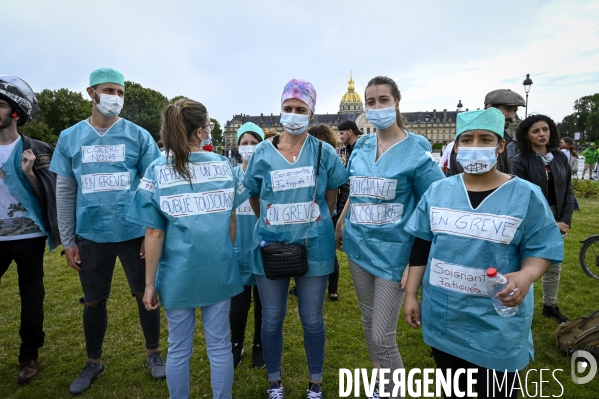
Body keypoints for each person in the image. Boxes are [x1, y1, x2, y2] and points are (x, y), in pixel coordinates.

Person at [403, 108, 563, 399]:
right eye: (467, 139)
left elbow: (542, 247)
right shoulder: (437, 192)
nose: (475, 146)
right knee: (455, 391)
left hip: (497, 322)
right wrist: (411, 294)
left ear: (500, 145)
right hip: (444, 315)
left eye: (485, 138)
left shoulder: (525, 195)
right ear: (457, 145)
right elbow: (422, 245)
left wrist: (527, 275)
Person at [49, 68, 165, 395]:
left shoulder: (138, 136)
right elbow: (65, 191)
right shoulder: (70, 138)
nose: (116, 97)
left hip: (132, 234)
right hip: (91, 235)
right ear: (91, 92)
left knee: (147, 296)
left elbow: (153, 186)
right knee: (93, 301)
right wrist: (68, 239)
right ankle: (93, 361)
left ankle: (154, 354)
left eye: (121, 91)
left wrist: (149, 231)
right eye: (109, 90)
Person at [126, 99, 245, 399]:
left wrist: (149, 284)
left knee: (179, 346)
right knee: (219, 344)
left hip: (177, 272)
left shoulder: (156, 170)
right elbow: (232, 218)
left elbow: (153, 231)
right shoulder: (223, 165)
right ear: (199, 131)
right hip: (218, 267)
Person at [335, 76, 445, 398]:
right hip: (358, 246)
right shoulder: (363, 146)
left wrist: (417, 262)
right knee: (369, 321)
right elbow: (356, 191)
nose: (377, 107)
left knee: (383, 334)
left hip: (396, 255)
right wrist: (341, 222)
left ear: (397, 102)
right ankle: (381, 385)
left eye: (384, 100)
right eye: (371, 102)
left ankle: (393, 391)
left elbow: (434, 206)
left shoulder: (417, 152)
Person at [243, 79, 348, 399]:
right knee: (272, 318)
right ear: (280, 110)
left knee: (312, 318)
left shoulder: (323, 151)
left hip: (314, 243)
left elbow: (332, 195)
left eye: (300, 109)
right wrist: (276, 220)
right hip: (270, 244)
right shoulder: (263, 151)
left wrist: (313, 221)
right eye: (288, 108)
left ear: (311, 112)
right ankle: (274, 381)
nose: (293, 114)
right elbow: (255, 197)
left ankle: (315, 381)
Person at [0, 75, 60, 384]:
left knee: (31, 296)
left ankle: (29, 356)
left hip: (28, 237)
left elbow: (49, 198)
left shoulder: (36, 150)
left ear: (15, 112)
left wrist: (31, 174)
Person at [511, 115, 573, 323]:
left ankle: (550, 305)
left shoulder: (560, 157)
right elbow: (521, 197)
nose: (542, 134)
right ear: (527, 135)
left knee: (553, 265)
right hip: (532, 218)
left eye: (545, 129)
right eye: (536, 131)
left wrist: (565, 219)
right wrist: (549, 223)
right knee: (524, 265)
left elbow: (568, 191)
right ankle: (516, 306)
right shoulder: (520, 161)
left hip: (558, 217)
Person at [230, 121, 265, 368]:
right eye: (245, 143)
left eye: (254, 143)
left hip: (263, 249)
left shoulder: (267, 175)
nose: (249, 147)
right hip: (236, 248)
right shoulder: (230, 176)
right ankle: (236, 344)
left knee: (264, 304)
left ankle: (260, 346)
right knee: (237, 306)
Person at [307, 124, 349, 301]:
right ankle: (308, 284)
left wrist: (338, 214)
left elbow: (344, 188)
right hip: (316, 214)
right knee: (310, 251)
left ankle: (332, 288)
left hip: (328, 214)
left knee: (328, 252)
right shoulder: (312, 156)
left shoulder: (328, 156)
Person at [448, 89, 525, 176]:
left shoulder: (505, 138)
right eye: (508, 109)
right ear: (489, 108)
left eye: (515, 111)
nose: (512, 116)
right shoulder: (469, 138)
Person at [560, 137, 580, 210]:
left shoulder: (564, 151)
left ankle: (574, 205)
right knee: (567, 189)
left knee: (566, 189)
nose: (560, 143)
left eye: (562, 142)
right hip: (567, 172)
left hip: (563, 172)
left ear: (567, 143)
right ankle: (574, 206)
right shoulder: (570, 151)